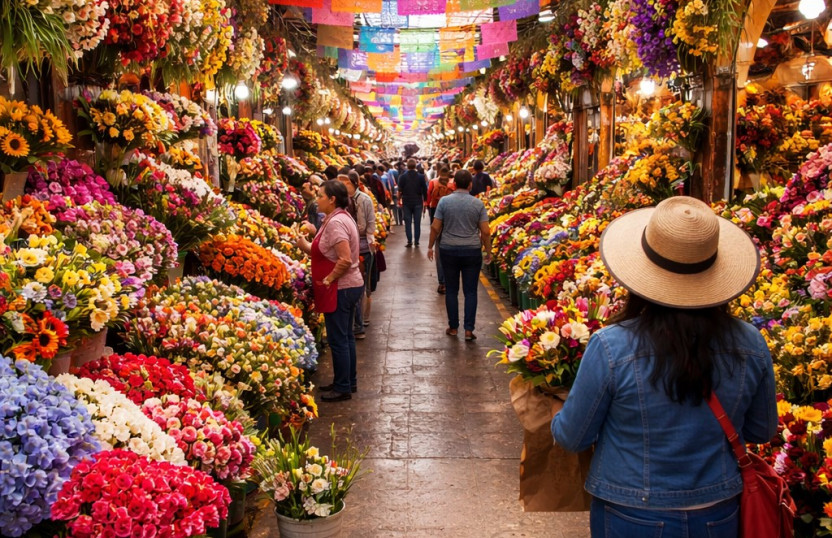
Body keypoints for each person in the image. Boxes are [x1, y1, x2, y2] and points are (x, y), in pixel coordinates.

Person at [551, 196, 776, 536]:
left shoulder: (612, 346)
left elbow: (573, 436)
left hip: (631, 511)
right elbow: (762, 430)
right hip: (718, 511)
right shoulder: (750, 343)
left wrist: (553, 408)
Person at [293, 180, 363, 402]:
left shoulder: (335, 223)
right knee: (345, 337)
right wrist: (304, 242)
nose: (317, 199)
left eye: (321, 195)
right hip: (349, 286)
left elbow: (344, 259)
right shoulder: (337, 217)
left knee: (338, 339)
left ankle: (343, 386)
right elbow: (324, 252)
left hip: (341, 287)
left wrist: (329, 278)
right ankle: (347, 381)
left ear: (332, 199)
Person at [427, 170, 491, 341]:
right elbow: (485, 231)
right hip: (472, 251)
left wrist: (430, 246)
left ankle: (453, 327)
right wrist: (488, 251)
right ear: (470, 184)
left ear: (454, 184)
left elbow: (435, 226)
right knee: (471, 291)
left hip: (449, 250)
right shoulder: (478, 204)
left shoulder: (444, 203)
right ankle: (469, 330)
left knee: (451, 290)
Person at [339, 172, 376, 340]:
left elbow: (368, 224)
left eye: (345, 182)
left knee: (362, 284)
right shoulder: (341, 200)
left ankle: (361, 322)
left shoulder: (364, 199)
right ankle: (358, 323)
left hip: (363, 248)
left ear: (354, 183)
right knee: (355, 285)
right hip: (350, 246)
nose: (342, 185)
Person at [427, 166, 454, 294]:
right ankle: (451, 281)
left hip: (437, 215)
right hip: (451, 218)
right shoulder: (453, 185)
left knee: (440, 252)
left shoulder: (433, 182)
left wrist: (429, 246)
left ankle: (442, 283)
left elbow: (429, 195)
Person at [397, 158, 427, 247]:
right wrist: (425, 201)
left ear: (407, 165)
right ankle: (417, 241)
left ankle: (409, 241)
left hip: (406, 202)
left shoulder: (402, 177)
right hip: (418, 201)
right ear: (415, 166)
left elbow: (400, 190)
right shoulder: (421, 177)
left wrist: (398, 200)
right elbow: (425, 190)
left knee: (408, 222)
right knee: (417, 223)